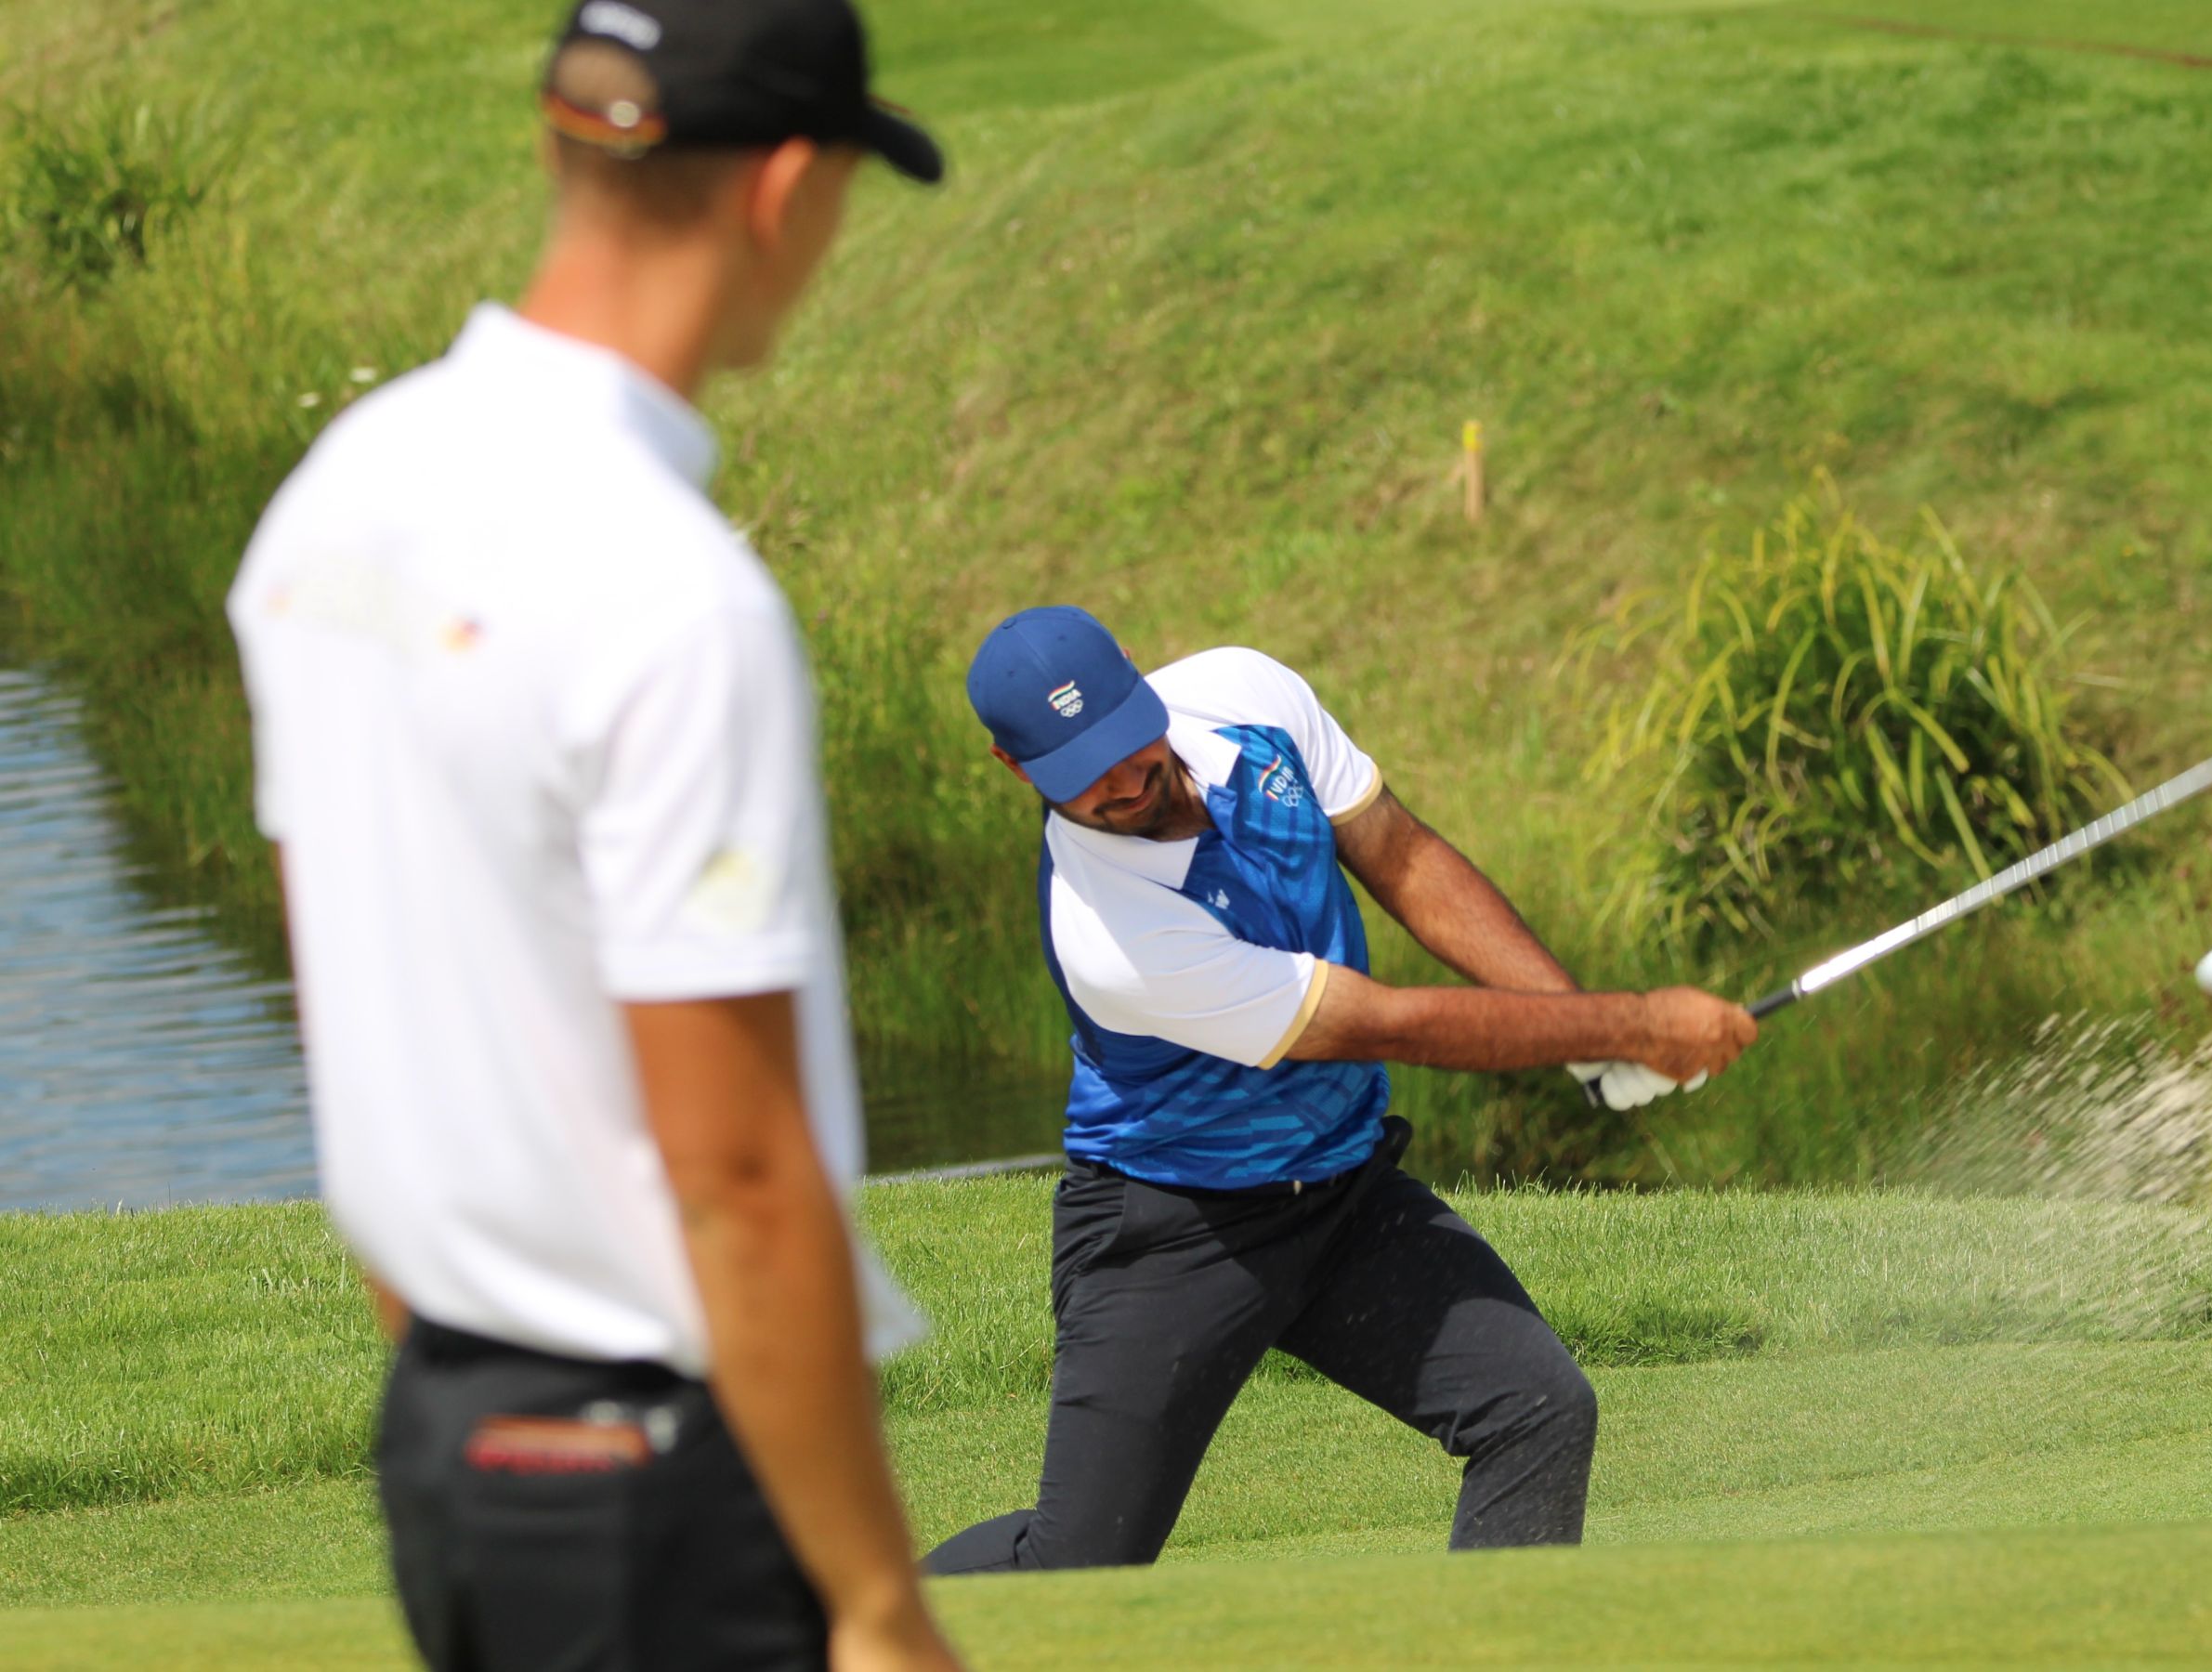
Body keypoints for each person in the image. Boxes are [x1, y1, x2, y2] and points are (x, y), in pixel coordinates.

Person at [225, 3, 963, 1666]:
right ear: (784, 189)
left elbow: (352, 988)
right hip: (656, 1480)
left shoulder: (340, 490)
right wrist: (873, 1600)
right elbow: (740, 1174)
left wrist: (458, 1363)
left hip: (447, 1439)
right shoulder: (673, 595)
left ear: (563, 141)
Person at [923, 606, 1760, 1575]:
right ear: (1015, 769)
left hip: (1343, 1191)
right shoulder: (1105, 932)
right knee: (1075, 1568)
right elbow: (1384, 1024)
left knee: (1536, 1409)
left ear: (1136, 678)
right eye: (1082, 774)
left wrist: (1575, 1030)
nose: (1122, 781)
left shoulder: (1245, 694)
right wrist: (1632, 1024)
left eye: (1124, 740)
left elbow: (1403, 860)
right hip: (1177, 1230)